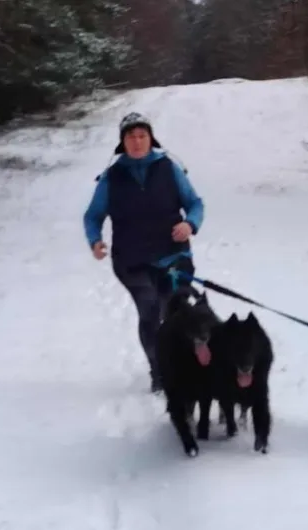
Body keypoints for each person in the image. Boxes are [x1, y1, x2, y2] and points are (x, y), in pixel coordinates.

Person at [83, 112, 205, 393]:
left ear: (151, 139)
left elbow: (195, 203)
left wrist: (190, 224)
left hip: (174, 257)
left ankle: (186, 365)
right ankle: (159, 370)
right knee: (150, 312)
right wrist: (95, 241)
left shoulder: (169, 168)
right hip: (132, 261)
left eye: (142, 136)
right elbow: (93, 215)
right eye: (130, 137)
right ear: (122, 142)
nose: (137, 142)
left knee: (176, 314)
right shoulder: (112, 178)